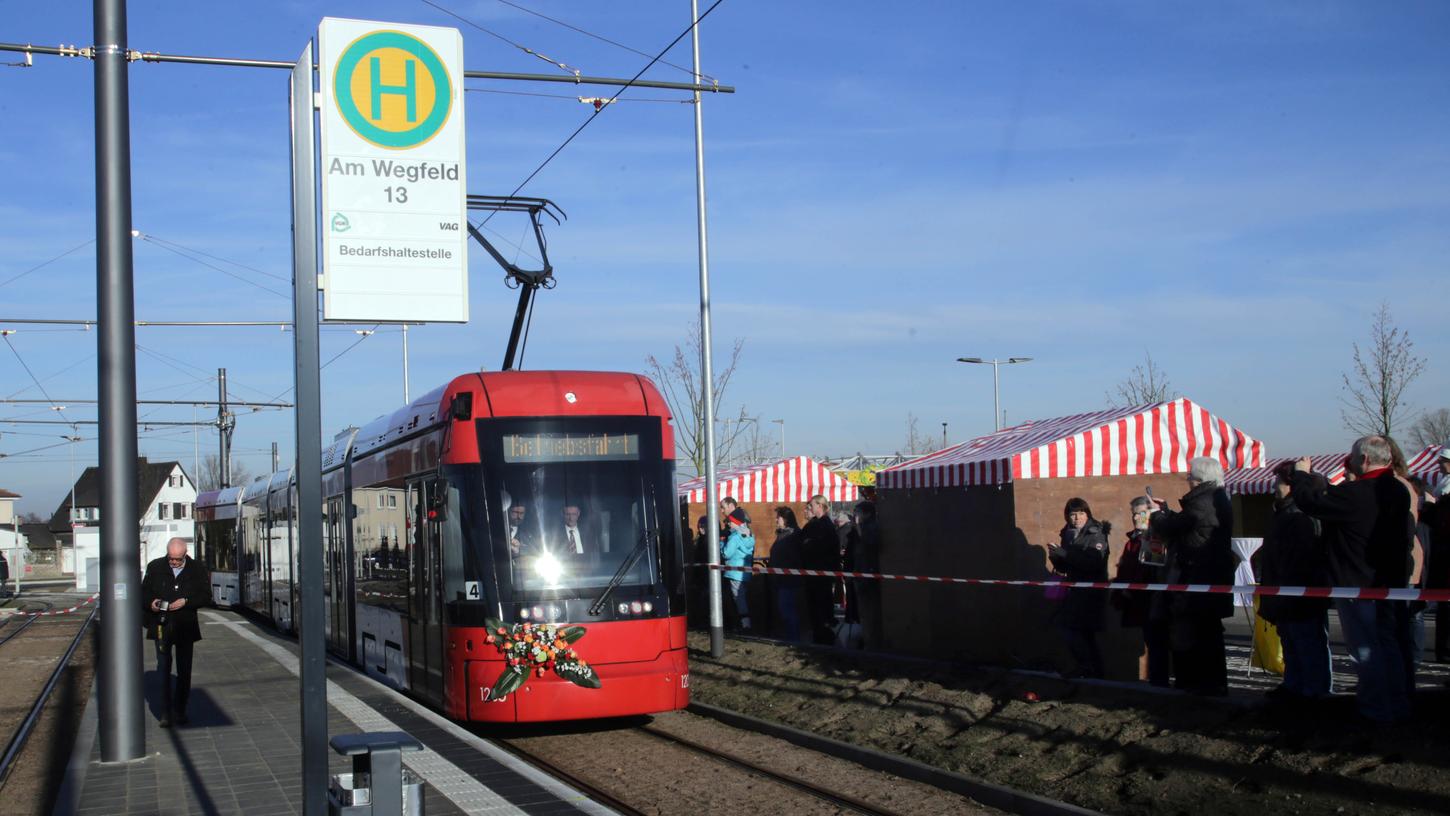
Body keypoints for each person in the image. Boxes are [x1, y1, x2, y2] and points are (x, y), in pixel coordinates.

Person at [1290, 435, 1415, 724]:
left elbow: (1311, 502)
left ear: (1365, 459)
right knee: (1388, 645)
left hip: (1357, 582)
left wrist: (1301, 477)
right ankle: (1397, 704)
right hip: (1389, 581)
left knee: (1365, 649)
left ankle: (1375, 709)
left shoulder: (1359, 493)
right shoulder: (1397, 490)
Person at [1149, 456, 1235, 696]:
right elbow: (1186, 523)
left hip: (1198, 578)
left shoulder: (1202, 503)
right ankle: (1209, 683)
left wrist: (1157, 515)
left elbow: (1174, 527)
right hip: (1210, 577)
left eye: (1189, 476)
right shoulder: (1216, 500)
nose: (1187, 480)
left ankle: (1198, 684)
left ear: (1198, 479)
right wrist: (1166, 511)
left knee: (1195, 634)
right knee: (1208, 633)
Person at [1253, 462, 1332, 701]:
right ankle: (1294, 685)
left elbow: (1300, 558)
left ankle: (1314, 692)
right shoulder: (1282, 512)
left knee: (1307, 643)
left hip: (1298, 592)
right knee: (1290, 643)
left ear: (1290, 484)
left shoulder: (1300, 515)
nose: (1274, 486)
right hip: (1282, 591)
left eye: (1278, 481)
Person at [141, 537, 212, 727]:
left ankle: (180, 710)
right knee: (163, 668)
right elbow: (143, 593)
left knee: (184, 670)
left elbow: (206, 596)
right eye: (171, 558)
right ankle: (165, 712)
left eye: (177, 559)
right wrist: (152, 603)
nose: (173, 562)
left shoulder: (197, 569)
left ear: (185, 553)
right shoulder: (155, 567)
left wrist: (186, 601)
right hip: (161, 625)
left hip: (185, 626)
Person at [1048, 498, 1110, 678]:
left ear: (1087, 514)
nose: (1076, 518)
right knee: (1082, 634)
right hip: (1074, 590)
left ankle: (1089, 668)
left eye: (1081, 513)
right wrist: (1056, 557)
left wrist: (1064, 554)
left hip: (1091, 593)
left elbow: (1093, 563)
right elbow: (1066, 568)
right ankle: (1093, 672)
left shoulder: (1096, 532)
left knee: (1073, 630)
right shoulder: (1068, 533)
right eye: (1072, 514)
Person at [1113, 496, 1170, 686]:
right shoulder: (1133, 540)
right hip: (1138, 601)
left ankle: (1160, 682)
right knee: (1150, 641)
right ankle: (1156, 681)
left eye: (1141, 514)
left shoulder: (1155, 537)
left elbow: (1153, 569)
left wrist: (1133, 587)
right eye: (1134, 514)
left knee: (1157, 643)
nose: (1136, 518)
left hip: (1153, 600)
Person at [801, 495, 841, 644]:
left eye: (811, 505)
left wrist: (807, 545)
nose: (809, 508)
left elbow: (820, 548)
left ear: (819, 506)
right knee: (818, 608)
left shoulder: (824, 525)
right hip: (816, 572)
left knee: (820, 608)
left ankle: (824, 639)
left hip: (820, 574)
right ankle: (821, 636)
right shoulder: (818, 524)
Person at [768, 506, 804, 641]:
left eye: (779, 517)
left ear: (786, 519)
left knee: (788, 610)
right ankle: (790, 637)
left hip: (789, 579)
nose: (776, 520)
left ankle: (794, 639)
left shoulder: (793, 535)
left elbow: (794, 558)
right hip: (780, 578)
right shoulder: (782, 535)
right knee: (784, 610)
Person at [851, 501, 883, 651]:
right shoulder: (864, 527)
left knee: (870, 611)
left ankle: (872, 643)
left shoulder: (871, 527)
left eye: (858, 512)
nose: (855, 516)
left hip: (868, 574)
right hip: (862, 572)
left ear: (867, 513)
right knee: (864, 611)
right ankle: (867, 639)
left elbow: (869, 545)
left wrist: (857, 528)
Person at [721, 509, 755, 631]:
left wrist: (721, 544)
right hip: (745, 573)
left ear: (736, 522)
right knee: (742, 598)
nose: (728, 524)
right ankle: (746, 624)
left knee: (738, 599)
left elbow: (726, 554)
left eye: (730, 522)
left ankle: (744, 626)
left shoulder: (734, 537)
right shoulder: (749, 534)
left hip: (734, 573)